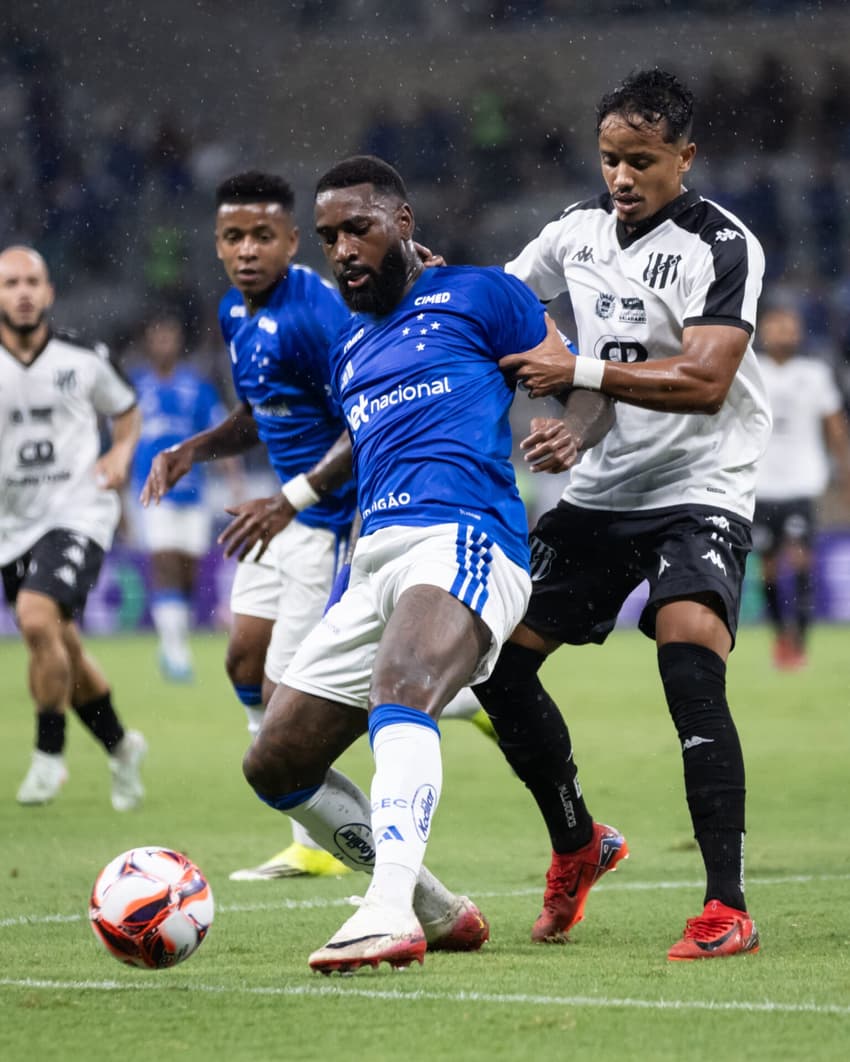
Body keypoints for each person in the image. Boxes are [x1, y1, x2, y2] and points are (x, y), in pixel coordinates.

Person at [237, 154, 600, 975]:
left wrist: (575, 427)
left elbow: (580, 377)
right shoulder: (349, 348)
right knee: (276, 761)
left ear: (403, 222)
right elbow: (367, 460)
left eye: (358, 227)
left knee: (401, 692)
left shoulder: (483, 295)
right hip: (375, 562)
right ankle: (437, 910)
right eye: (329, 236)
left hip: (467, 538)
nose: (342, 249)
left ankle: (386, 908)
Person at [476, 69, 770, 961]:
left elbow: (705, 379)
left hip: (702, 487)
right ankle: (578, 841)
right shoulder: (574, 234)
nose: (622, 177)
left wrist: (579, 380)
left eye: (642, 160)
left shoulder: (724, 245)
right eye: (610, 158)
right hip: (606, 493)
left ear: (686, 156)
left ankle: (727, 907)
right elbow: (496, 306)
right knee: (496, 663)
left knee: (687, 659)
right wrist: (575, 424)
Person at [141, 171, 355, 879]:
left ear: (293, 241)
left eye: (263, 235)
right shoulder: (235, 312)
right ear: (217, 244)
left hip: (326, 518)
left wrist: (292, 497)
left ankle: (327, 843)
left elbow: (364, 423)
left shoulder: (318, 314)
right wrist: (191, 449)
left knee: (293, 703)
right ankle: (308, 832)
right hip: (274, 517)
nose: (247, 250)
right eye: (233, 236)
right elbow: (259, 415)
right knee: (242, 664)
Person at [0, 245, 147, 810]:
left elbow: (127, 410)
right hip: (12, 523)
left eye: (32, 281)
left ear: (49, 292)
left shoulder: (83, 358)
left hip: (78, 511)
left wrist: (121, 453)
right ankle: (121, 747)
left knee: (35, 616)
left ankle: (48, 755)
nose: (23, 292)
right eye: (11, 282)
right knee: (58, 641)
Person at [129, 313, 233, 682]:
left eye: (169, 336)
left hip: (194, 490)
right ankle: (175, 651)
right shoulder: (134, 387)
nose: (163, 343)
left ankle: (174, 639)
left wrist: (234, 482)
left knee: (188, 571)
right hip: (150, 490)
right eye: (157, 336)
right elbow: (123, 440)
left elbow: (219, 436)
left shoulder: (198, 387)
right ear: (147, 342)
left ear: (178, 342)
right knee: (165, 563)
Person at [752, 305, 850, 669]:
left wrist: (844, 476)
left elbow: (835, 428)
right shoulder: (751, 370)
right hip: (760, 486)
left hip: (802, 484)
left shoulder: (816, 373)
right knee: (770, 568)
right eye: (777, 327)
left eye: (790, 326)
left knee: (802, 559)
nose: (785, 333)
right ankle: (781, 638)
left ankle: (801, 642)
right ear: (762, 332)